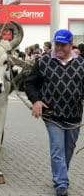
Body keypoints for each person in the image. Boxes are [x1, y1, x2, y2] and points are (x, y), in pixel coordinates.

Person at [25, 29, 84, 196]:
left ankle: (60, 175)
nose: (58, 48)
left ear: (71, 45)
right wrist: (36, 100)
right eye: (56, 44)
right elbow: (30, 84)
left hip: (74, 116)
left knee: (68, 149)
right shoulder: (43, 62)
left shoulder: (81, 64)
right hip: (52, 115)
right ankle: (61, 185)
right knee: (57, 149)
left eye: (62, 45)